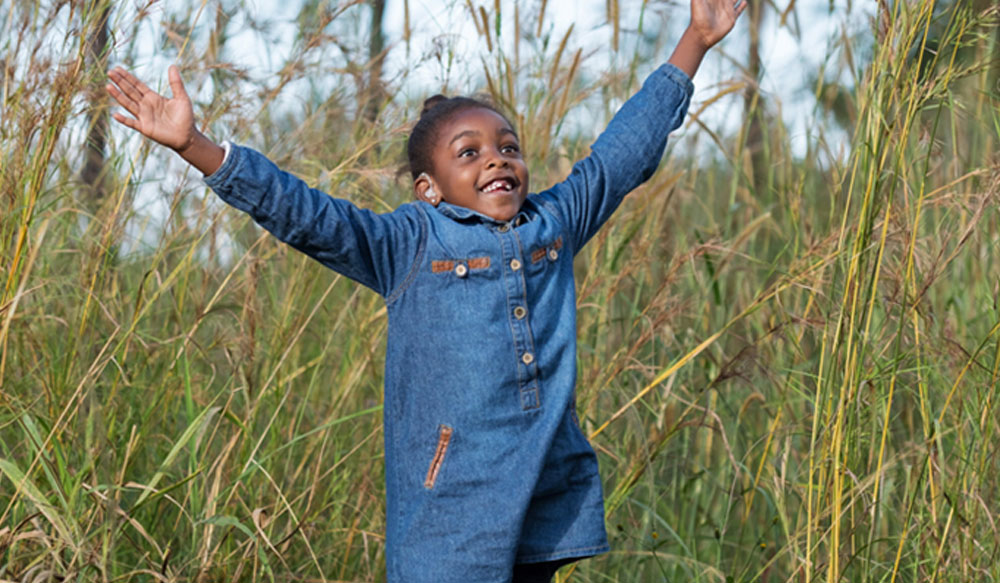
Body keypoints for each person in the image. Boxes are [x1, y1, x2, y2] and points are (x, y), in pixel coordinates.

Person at [106, 0, 745, 580]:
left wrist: (695, 39)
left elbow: (621, 153)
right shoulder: (409, 245)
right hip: (450, 505)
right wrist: (195, 145)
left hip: (541, 489)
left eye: (508, 147)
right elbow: (307, 216)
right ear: (429, 188)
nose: (497, 159)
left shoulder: (554, 224)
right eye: (468, 153)